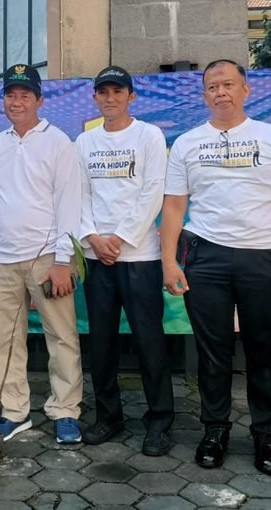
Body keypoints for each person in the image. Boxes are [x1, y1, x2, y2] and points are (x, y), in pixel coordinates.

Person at [160, 59, 271, 475]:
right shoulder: (188, 143)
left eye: (229, 84)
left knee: (264, 352)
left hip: (263, 256)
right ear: (204, 94)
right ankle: (215, 431)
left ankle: (267, 436)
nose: (221, 92)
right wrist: (169, 261)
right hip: (205, 257)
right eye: (212, 86)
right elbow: (174, 207)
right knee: (214, 353)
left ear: (247, 90)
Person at [0, 63, 84, 444]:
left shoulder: (59, 143)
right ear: (3, 100)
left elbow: (69, 204)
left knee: (61, 337)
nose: (17, 102)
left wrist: (64, 260)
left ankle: (65, 410)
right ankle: (15, 411)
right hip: (0, 261)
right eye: (10, 94)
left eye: (24, 95)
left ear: (39, 100)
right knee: (6, 340)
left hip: (47, 258)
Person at [75, 66, 174, 456]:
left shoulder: (149, 136)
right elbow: (77, 194)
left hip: (140, 256)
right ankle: (108, 416)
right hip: (96, 258)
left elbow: (154, 192)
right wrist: (94, 238)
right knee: (100, 343)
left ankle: (160, 421)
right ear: (95, 98)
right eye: (103, 92)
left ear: (131, 96)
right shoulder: (84, 142)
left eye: (118, 91)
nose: (110, 98)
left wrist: (119, 238)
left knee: (150, 341)